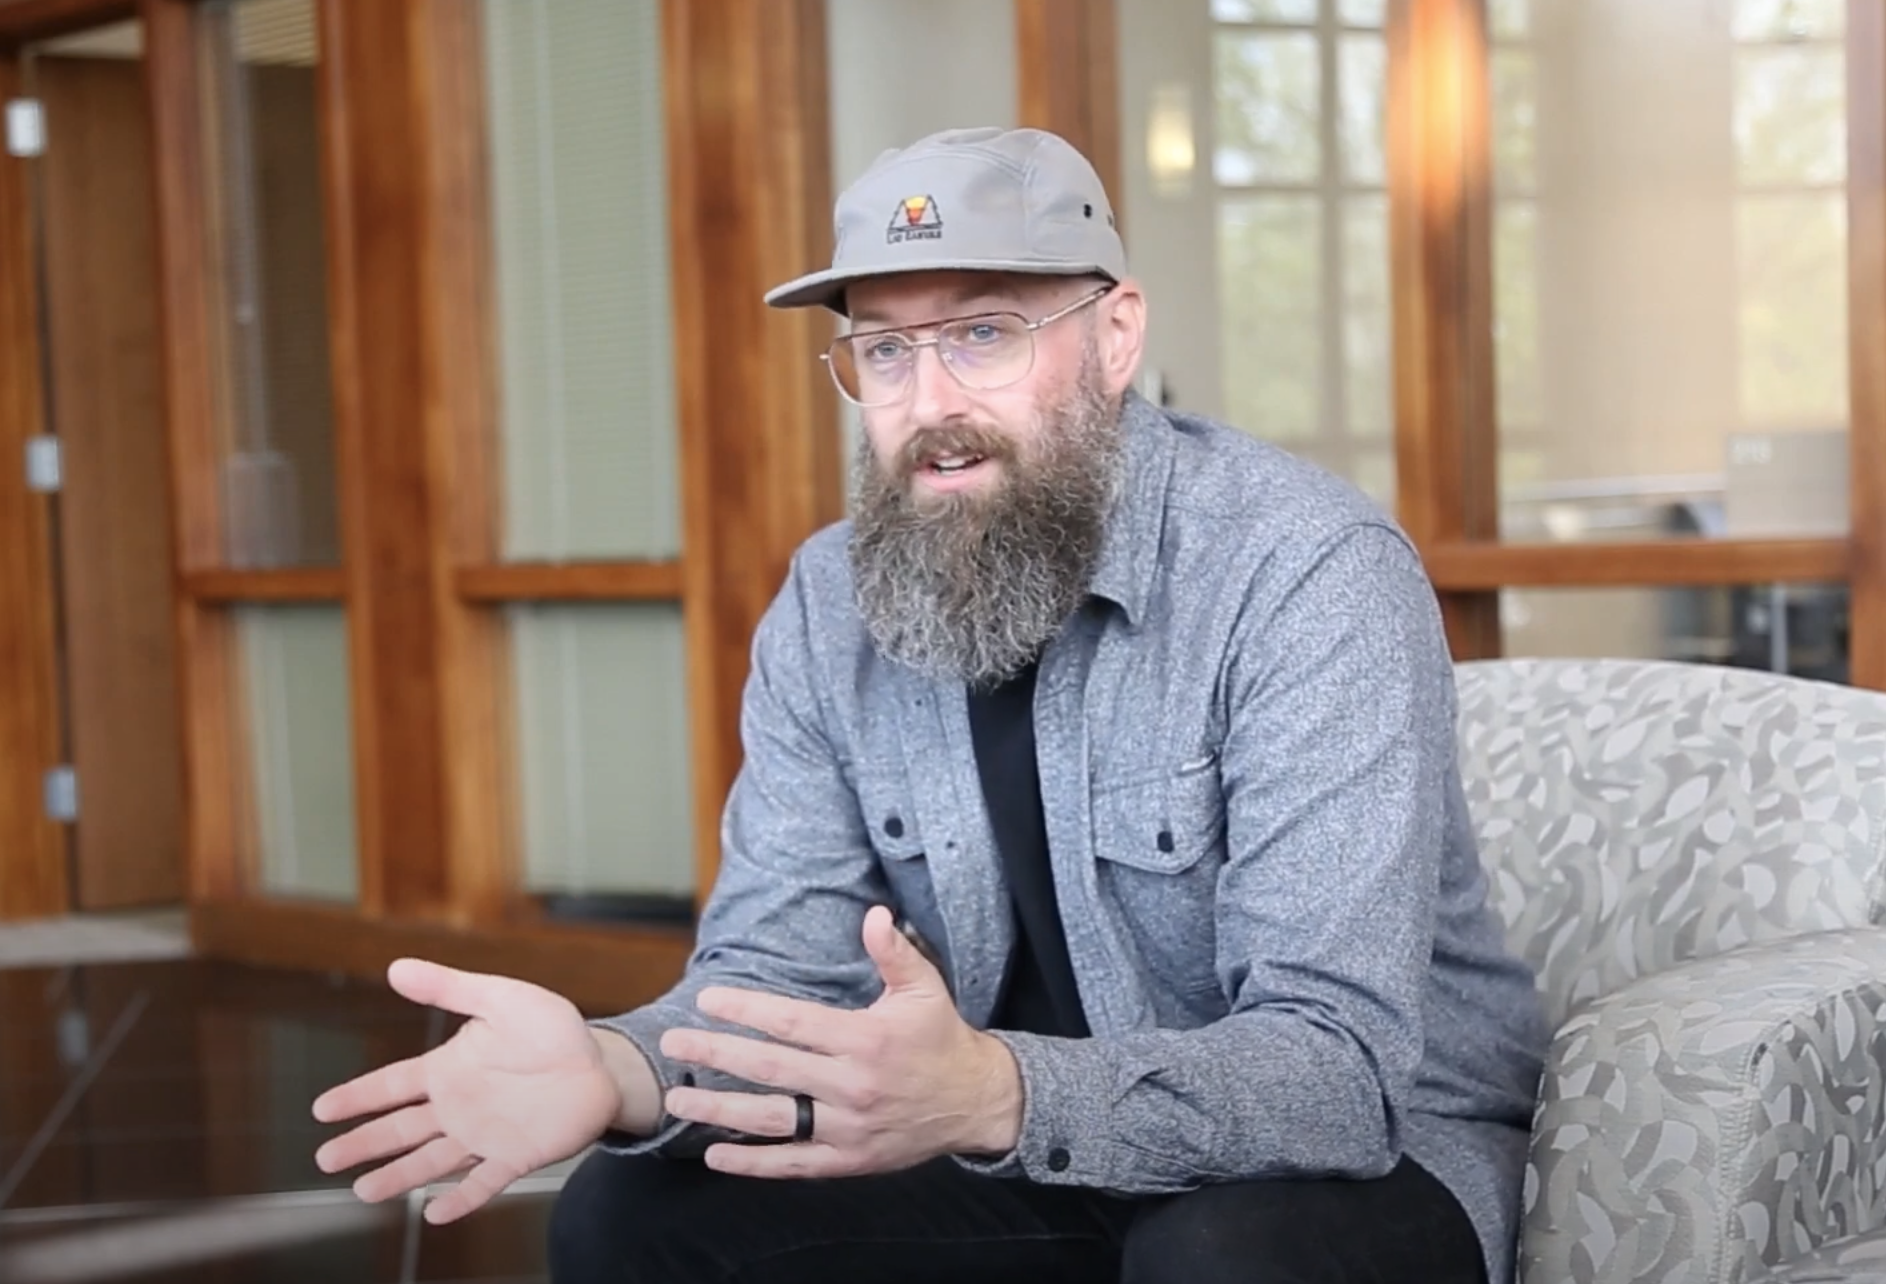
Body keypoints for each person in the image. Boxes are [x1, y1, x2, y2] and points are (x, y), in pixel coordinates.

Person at [311, 125, 1548, 1284]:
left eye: (984, 335)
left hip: (1359, 1161)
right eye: (884, 349)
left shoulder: (1301, 570)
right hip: (1009, 1145)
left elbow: (1334, 1072)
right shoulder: (825, 599)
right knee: (634, 1218)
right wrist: (614, 1065)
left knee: (1216, 1258)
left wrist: (993, 1095)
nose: (929, 401)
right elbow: (773, 976)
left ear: (1114, 338)